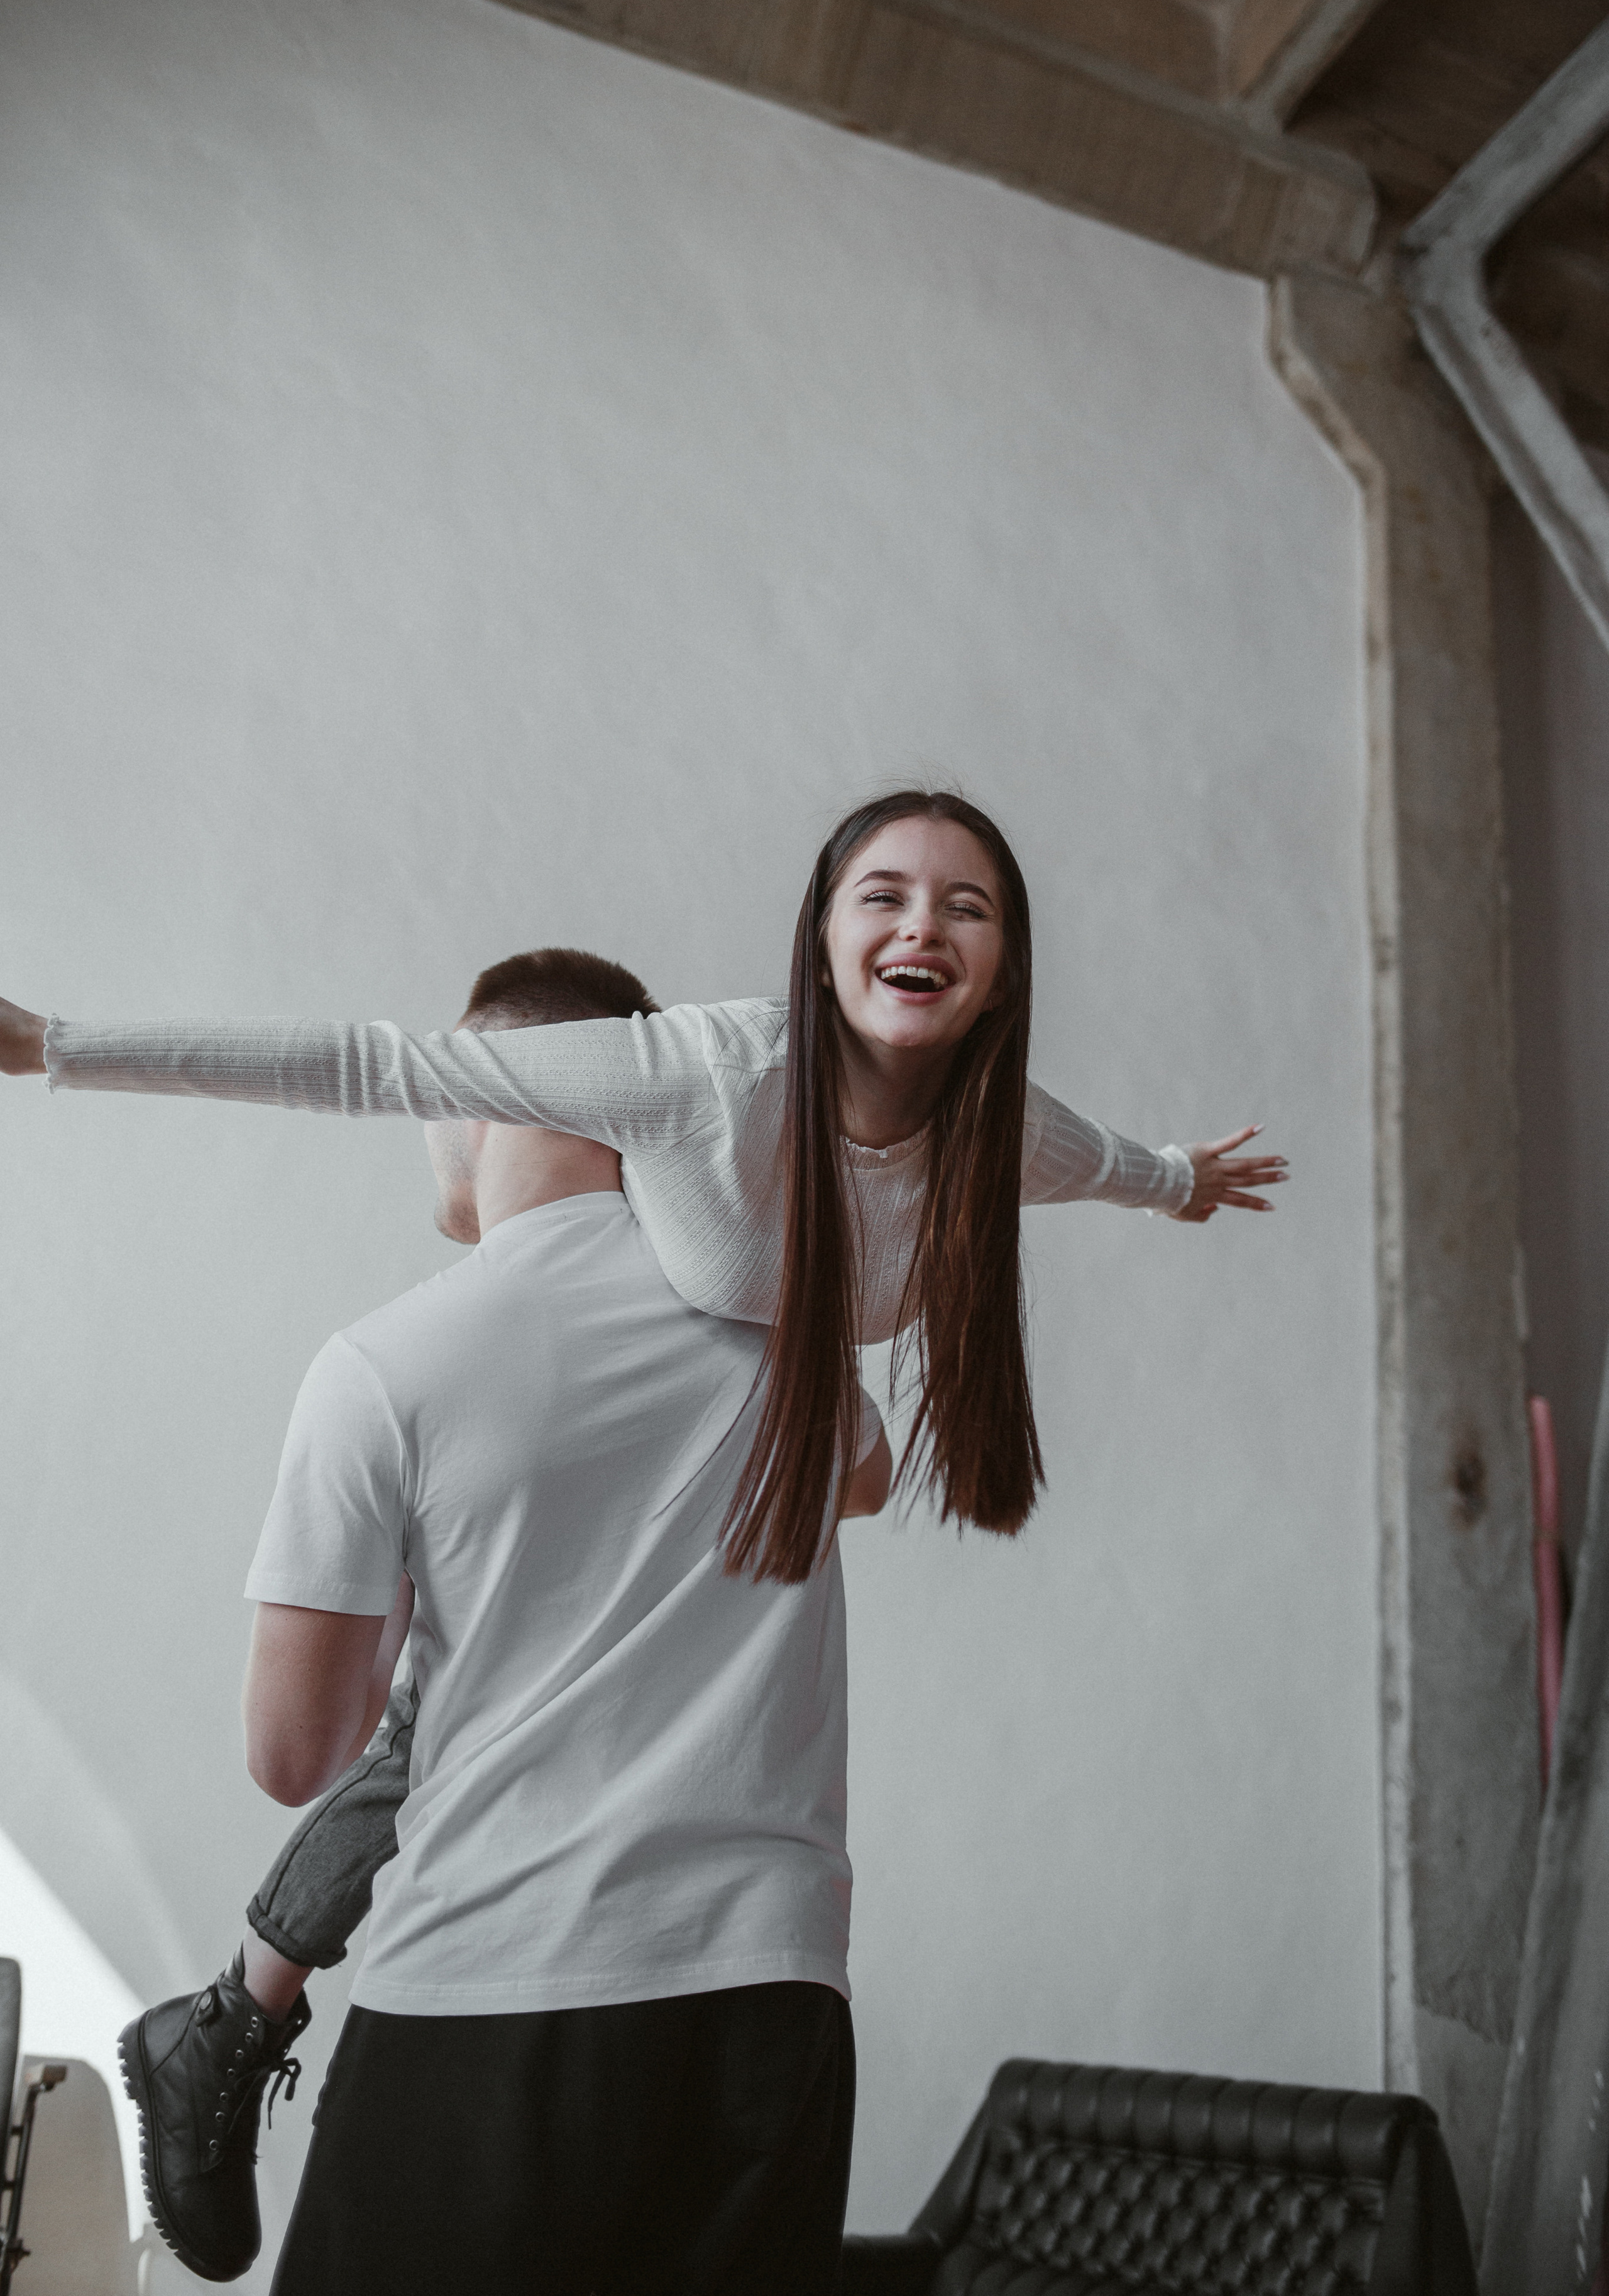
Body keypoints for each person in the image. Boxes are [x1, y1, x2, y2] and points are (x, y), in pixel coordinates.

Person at [121, 947, 891, 2293]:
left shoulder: (388, 1365)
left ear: (482, 1092)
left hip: (495, 1992)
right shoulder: (789, 1346)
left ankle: (225, 2024)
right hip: (776, 2002)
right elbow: (866, 1479)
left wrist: (441, 1617)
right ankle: (222, 2025)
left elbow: (293, 1756)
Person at [0, 788, 1286, 1591]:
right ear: (822, 946)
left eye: (967, 910)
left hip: (761, 1442)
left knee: (863, 1479)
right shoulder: (701, 1072)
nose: (921, 927)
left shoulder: (1005, 1136)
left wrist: (1181, 1182)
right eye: (882, 897)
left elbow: (1120, 1167)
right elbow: (374, 1065)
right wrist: (53, 1045)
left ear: (1000, 976)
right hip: (606, 1370)